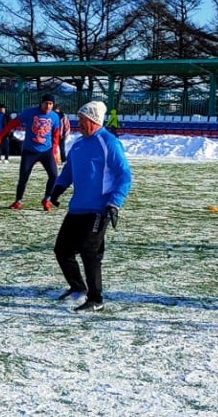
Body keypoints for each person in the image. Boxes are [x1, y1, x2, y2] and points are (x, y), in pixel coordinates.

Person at [48, 100, 132, 312]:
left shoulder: (109, 143)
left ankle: (96, 299)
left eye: (83, 121)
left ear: (94, 120)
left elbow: (124, 175)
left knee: (89, 251)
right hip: (77, 208)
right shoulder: (77, 144)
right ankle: (78, 288)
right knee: (62, 250)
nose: (79, 125)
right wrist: (57, 189)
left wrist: (115, 203)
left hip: (99, 209)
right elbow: (69, 170)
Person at [0, 94, 62, 211]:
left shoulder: (55, 117)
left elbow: (56, 135)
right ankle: (18, 201)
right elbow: (12, 123)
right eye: (46, 103)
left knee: (54, 175)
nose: (48, 106)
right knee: (23, 177)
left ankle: (47, 199)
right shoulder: (30, 113)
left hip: (46, 151)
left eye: (51, 104)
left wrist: (55, 151)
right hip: (30, 151)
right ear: (42, 103)